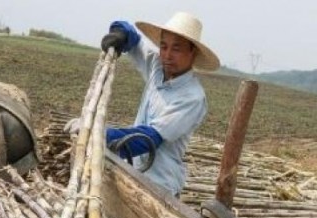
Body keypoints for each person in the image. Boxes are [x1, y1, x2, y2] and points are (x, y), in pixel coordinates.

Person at [68, 12, 220, 197]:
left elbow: (147, 140)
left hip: (159, 186)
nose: (167, 55)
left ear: (193, 52)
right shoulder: (158, 67)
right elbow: (133, 38)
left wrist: (96, 133)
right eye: (163, 46)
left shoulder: (192, 98)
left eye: (176, 49)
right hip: (133, 172)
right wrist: (120, 33)